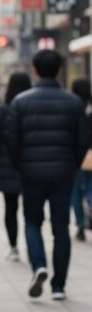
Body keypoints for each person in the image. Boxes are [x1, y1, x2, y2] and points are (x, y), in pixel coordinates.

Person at [5, 50, 86, 300]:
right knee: (61, 227)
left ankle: (39, 265)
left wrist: (21, 164)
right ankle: (59, 286)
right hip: (63, 172)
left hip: (31, 172)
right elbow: (82, 141)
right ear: (60, 70)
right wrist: (72, 164)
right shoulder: (74, 103)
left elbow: (12, 140)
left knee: (32, 222)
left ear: (35, 70)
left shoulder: (21, 102)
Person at [0, 72, 32, 260]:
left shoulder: (3, 110)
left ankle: (14, 246)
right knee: (31, 209)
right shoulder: (32, 107)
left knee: (11, 208)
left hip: (7, 164)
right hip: (31, 164)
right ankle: (32, 243)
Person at [70, 77, 92, 241]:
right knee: (91, 188)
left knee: (76, 192)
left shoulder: (72, 106)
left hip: (76, 157)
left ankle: (80, 225)